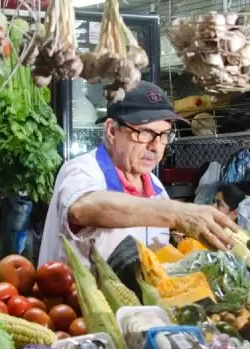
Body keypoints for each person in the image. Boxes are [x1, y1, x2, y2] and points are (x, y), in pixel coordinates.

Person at [39, 81, 238, 266]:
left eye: (164, 135)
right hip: (74, 302)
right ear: (111, 131)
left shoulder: (156, 186)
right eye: (145, 133)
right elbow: (82, 208)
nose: (156, 146)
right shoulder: (82, 170)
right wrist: (175, 213)